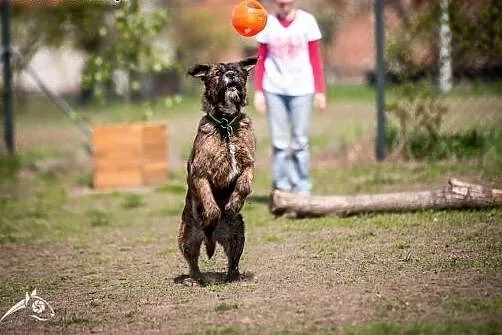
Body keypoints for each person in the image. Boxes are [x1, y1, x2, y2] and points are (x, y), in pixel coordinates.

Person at [253, 0, 326, 195]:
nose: (284, 5)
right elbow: (260, 59)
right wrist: (259, 92)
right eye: (280, 3)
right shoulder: (267, 23)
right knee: (279, 142)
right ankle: (282, 186)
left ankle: (302, 186)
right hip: (274, 88)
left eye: (287, 2)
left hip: (302, 88)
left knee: (300, 141)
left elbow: (315, 58)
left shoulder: (307, 21)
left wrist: (320, 91)